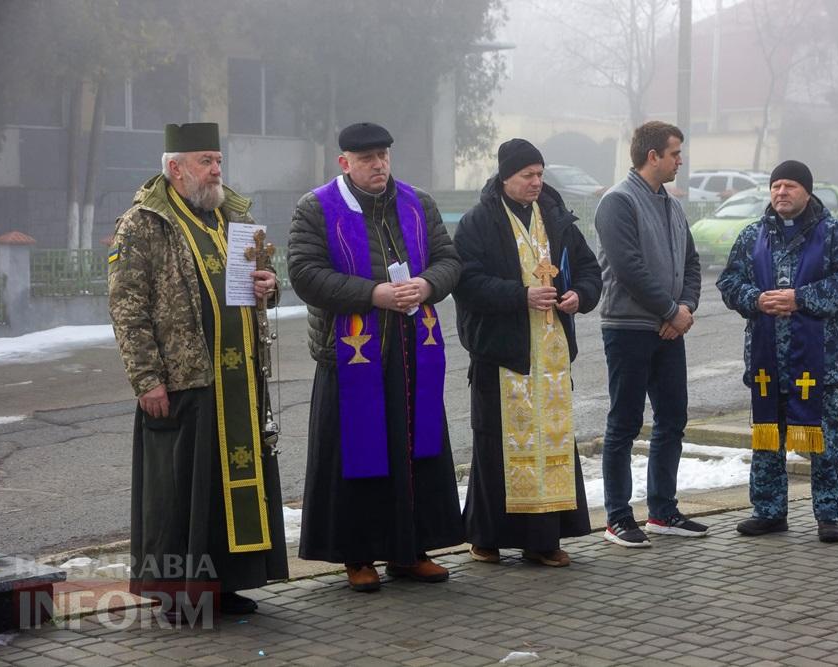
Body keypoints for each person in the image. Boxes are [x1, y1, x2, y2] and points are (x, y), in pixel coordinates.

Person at [109, 122, 288, 621]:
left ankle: (227, 584)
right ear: (175, 168)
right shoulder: (142, 224)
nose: (216, 170)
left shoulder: (234, 217)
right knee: (179, 495)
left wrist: (268, 286)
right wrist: (147, 380)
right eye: (205, 161)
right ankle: (177, 596)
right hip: (183, 381)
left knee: (221, 492)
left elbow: (263, 287)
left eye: (218, 160)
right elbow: (128, 309)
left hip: (239, 379)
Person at [288, 122, 463, 592]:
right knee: (355, 458)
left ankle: (411, 551)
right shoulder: (317, 207)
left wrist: (427, 285)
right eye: (366, 158)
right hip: (351, 358)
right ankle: (357, 555)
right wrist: (373, 294)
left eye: (383, 155)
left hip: (412, 354)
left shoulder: (416, 203)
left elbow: (449, 259)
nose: (378, 164)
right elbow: (305, 273)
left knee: (414, 455)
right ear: (344, 163)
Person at [452, 139, 602, 567]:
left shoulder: (556, 218)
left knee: (551, 445)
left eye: (540, 174)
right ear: (505, 177)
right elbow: (466, 282)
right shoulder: (478, 221)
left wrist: (580, 295)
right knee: (497, 450)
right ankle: (487, 538)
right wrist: (520, 295)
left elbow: (591, 271)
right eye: (527, 176)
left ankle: (545, 539)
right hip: (502, 355)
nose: (537, 182)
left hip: (551, 358)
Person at [716, 160, 838, 543]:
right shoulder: (753, 235)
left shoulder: (834, 234)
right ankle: (768, 512)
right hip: (767, 361)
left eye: (790, 186)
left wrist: (801, 298)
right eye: (776, 186)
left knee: (823, 441)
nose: (781, 192)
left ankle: (828, 515)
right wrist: (757, 299)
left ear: (806, 191)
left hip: (819, 361)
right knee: (767, 438)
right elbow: (729, 282)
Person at [594, 121, 706, 548]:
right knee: (624, 422)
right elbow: (628, 269)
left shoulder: (673, 206)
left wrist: (685, 309)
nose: (681, 160)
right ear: (652, 156)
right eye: (675, 153)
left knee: (673, 417)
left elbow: (691, 265)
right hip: (628, 328)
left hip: (669, 330)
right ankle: (618, 517)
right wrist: (669, 310)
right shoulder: (618, 202)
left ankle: (662, 510)